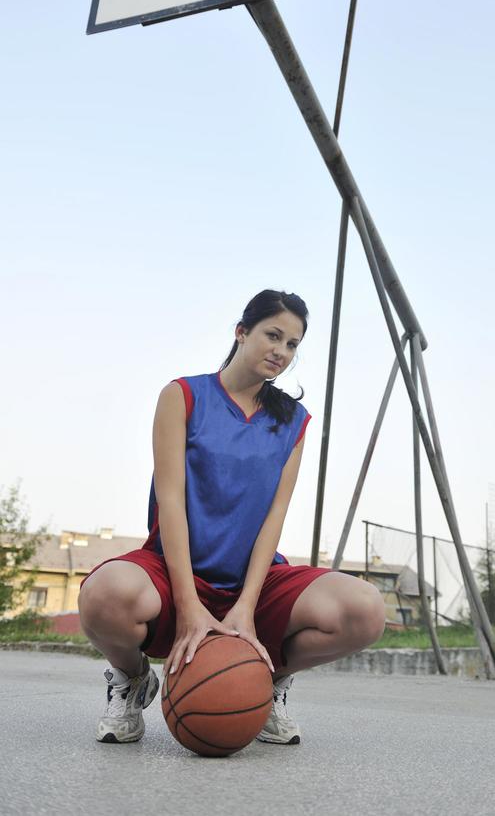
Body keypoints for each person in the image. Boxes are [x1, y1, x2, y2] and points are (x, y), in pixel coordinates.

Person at [78, 289, 386, 746]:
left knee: (366, 609)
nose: (281, 351)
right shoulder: (183, 396)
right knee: (103, 595)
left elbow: (274, 517)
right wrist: (188, 604)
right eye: (273, 335)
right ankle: (131, 679)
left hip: (250, 583)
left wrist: (245, 606)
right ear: (242, 333)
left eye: (293, 344)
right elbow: (172, 502)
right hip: (173, 570)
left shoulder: (294, 422)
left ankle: (263, 683)